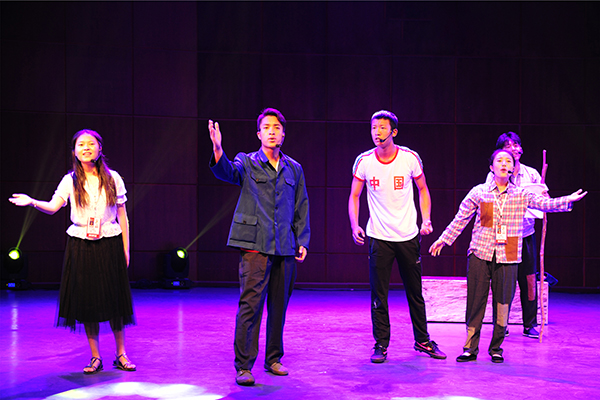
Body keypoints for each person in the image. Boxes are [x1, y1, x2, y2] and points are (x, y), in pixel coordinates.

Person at [429, 149, 587, 363]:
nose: (504, 164)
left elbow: (544, 204)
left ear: (513, 167)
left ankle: (496, 347)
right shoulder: (479, 192)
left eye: (508, 161)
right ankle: (470, 348)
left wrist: (568, 199)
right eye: (499, 160)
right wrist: (444, 239)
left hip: (509, 254)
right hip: (480, 252)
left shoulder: (521, 194)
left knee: (503, 303)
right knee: (475, 302)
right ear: (491, 167)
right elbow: (461, 218)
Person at [9, 129, 136, 374]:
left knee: (116, 300)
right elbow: (53, 207)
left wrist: (125, 248)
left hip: (110, 240)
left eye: (91, 143)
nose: (86, 147)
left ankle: (121, 354)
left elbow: (123, 216)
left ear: (100, 148)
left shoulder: (113, 178)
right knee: (87, 301)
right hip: (81, 243)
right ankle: (96, 357)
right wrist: (32, 201)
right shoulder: (70, 180)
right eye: (80, 144)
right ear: (75, 151)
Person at [208, 108, 310, 386]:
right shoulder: (247, 162)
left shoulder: (294, 168)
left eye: (276, 127)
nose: (272, 131)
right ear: (258, 134)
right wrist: (218, 149)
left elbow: (301, 205)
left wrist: (302, 240)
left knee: (279, 307)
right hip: (255, 245)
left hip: (285, 246)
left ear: (283, 134)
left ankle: (273, 359)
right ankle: (243, 366)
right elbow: (228, 172)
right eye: (266, 127)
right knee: (250, 306)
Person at [348, 110, 446, 363]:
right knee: (379, 294)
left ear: (394, 132)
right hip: (378, 236)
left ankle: (423, 340)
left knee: (415, 292)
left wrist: (426, 219)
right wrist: (355, 224)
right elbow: (354, 195)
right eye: (374, 128)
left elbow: (423, 189)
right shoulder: (364, 161)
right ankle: (381, 343)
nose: (377, 132)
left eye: (382, 128)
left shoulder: (409, 158)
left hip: (408, 235)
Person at [485, 132, 543, 339]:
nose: (514, 148)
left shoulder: (532, 174)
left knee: (529, 279)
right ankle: (501, 324)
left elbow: (543, 201)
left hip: (526, 232)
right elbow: (487, 209)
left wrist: (544, 198)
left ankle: (530, 324)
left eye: (516, 144)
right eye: (508, 146)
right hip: (505, 234)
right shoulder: (494, 175)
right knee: (503, 280)